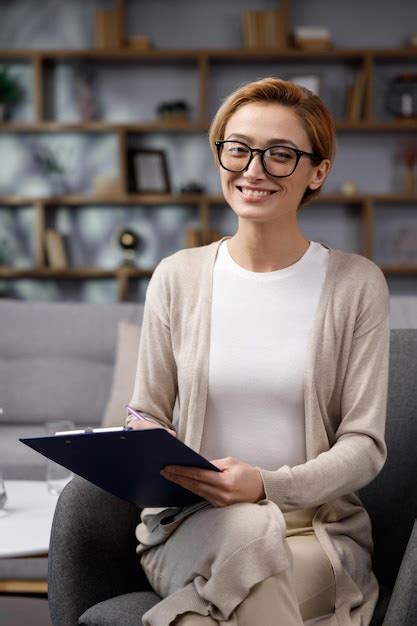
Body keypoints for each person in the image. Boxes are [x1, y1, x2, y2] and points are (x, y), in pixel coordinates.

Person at [126, 77, 390, 626]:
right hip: (193, 527)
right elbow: (145, 413)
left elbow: (364, 446)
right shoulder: (176, 278)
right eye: (238, 148)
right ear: (220, 155)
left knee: (207, 610)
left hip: (313, 529)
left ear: (318, 171)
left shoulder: (356, 284)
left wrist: (268, 486)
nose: (253, 169)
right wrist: (147, 444)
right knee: (247, 530)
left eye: (280, 155)